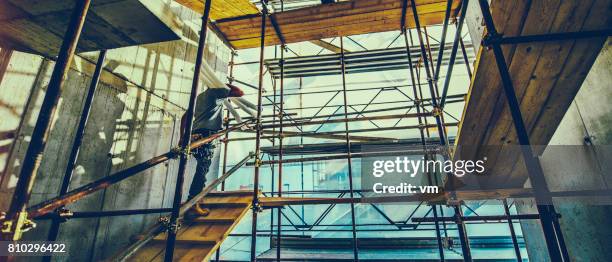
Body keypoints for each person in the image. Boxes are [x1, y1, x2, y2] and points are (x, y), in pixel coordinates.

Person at [180, 84, 244, 203]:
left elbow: (185, 117)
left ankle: (195, 200)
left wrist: (183, 137)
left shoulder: (199, 97)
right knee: (202, 169)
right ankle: (193, 201)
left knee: (202, 168)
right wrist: (224, 84)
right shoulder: (216, 92)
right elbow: (240, 92)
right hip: (206, 136)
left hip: (195, 135)